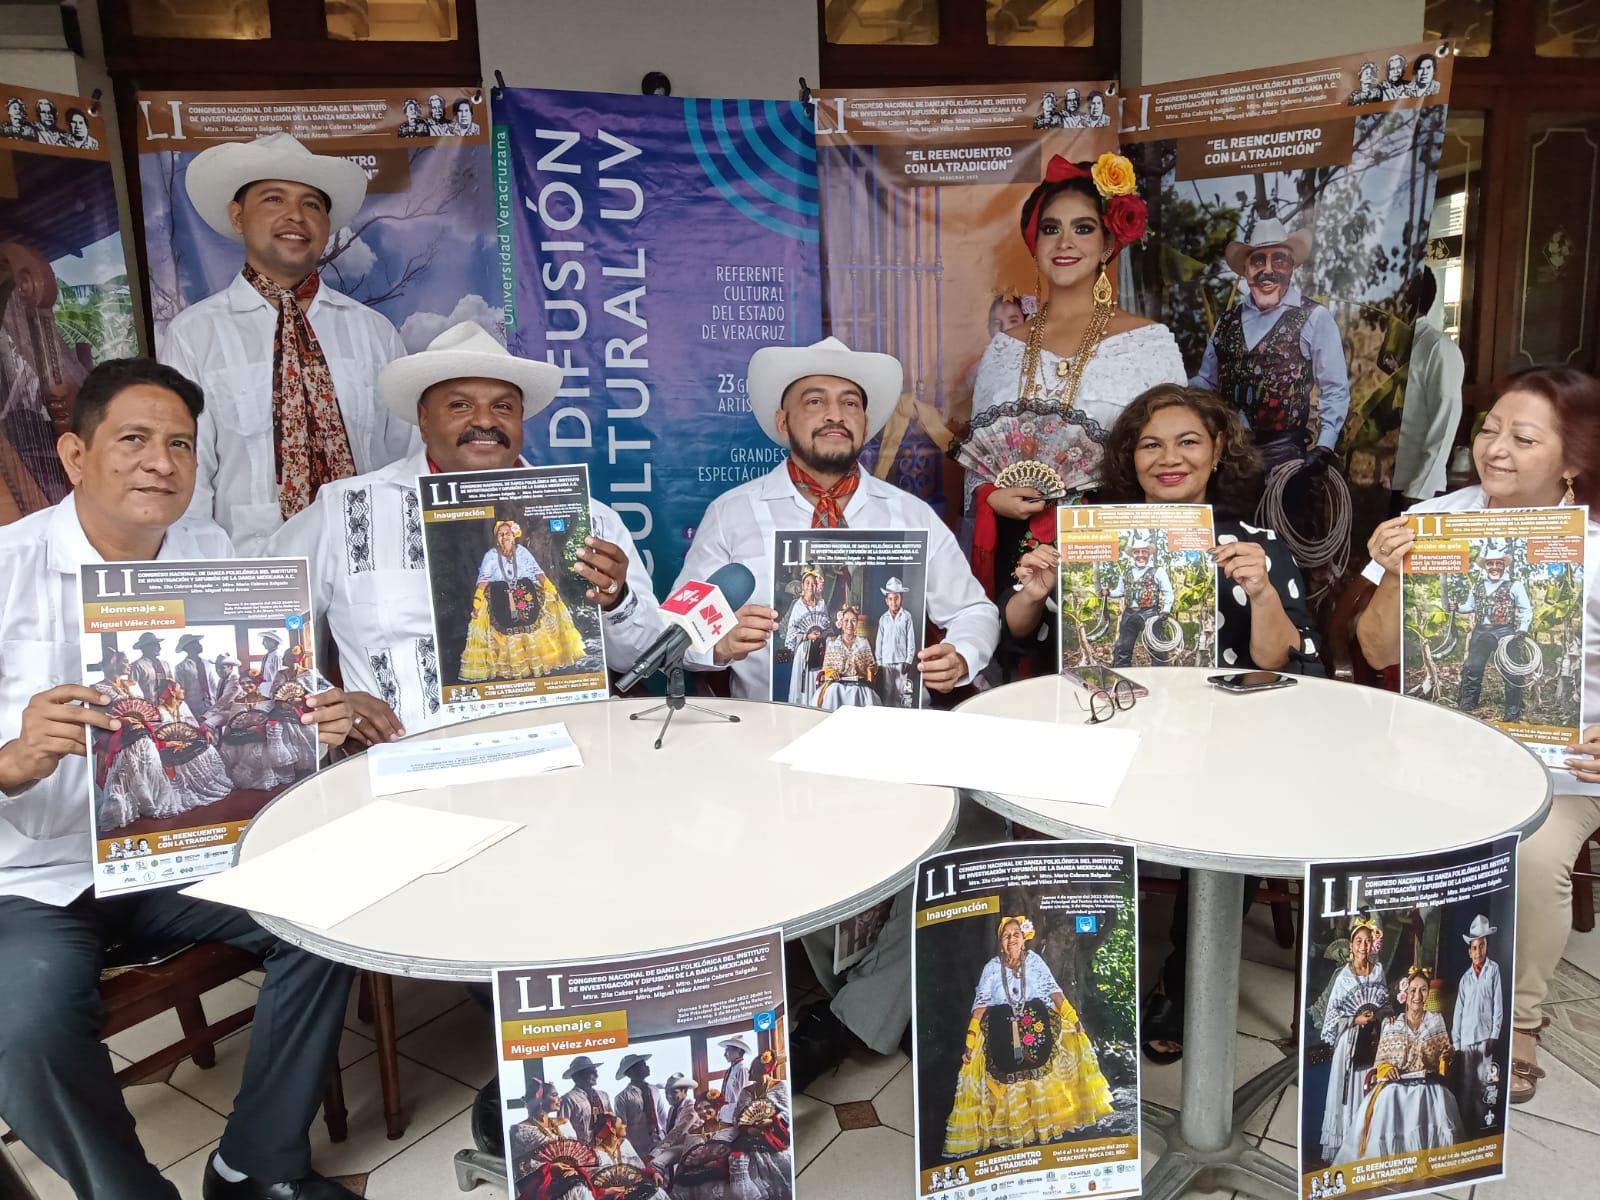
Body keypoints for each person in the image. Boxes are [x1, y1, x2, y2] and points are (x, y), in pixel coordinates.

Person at [0, 357, 357, 1199]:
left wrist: (315, 716)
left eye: (181, 444)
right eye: (133, 439)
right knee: (23, 1021)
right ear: (76, 455)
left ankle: (254, 1163)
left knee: (333, 910)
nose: (160, 461)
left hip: (179, 853)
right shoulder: (4, 568)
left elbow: (261, 693)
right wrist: (11, 761)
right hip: (32, 878)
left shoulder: (210, 555)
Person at [680, 337, 1000, 1085]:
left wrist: (963, 655)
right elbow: (680, 629)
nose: (835, 415)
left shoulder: (906, 512)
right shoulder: (735, 514)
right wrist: (718, 643)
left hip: (892, 733)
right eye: (815, 401)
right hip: (776, 738)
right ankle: (890, 1001)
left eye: (850, 402)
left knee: (980, 825)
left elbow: (977, 611)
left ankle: (847, 1018)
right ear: (784, 418)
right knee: (809, 839)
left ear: (865, 424)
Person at [1005, 385, 1319, 1056]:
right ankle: (1078, 981)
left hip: (1219, 741)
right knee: (1067, 813)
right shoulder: (1091, 537)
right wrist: (1033, 595)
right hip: (1104, 725)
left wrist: (1260, 590)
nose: (1167, 457)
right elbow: (1027, 637)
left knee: (1232, 812)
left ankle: (1183, 981)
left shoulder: (1252, 544)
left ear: (1216, 457)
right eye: (1151, 444)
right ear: (1131, 457)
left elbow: (1287, 665)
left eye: (1187, 443)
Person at [1354, 366, 1600, 1103]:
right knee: (1360, 822)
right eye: (1489, 428)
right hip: (1442, 754)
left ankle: (1521, 1024)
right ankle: (1391, 998)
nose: (1495, 449)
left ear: (1573, 459)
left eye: (1524, 439)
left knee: (1535, 854)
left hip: (1564, 763)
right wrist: (1394, 576)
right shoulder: (1436, 518)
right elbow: (1373, 651)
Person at [269, 322, 660, 741]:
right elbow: (257, 624)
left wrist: (617, 600)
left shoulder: (590, 518)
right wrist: (329, 701)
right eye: (460, 406)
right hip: (411, 771)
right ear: (423, 417)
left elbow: (644, 656)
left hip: (569, 758)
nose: (485, 421)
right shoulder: (344, 511)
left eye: (504, 407)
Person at [160, 132, 419, 554]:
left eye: (312, 204)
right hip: (250, 569)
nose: (295, 216)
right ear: (238, 216)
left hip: (367, 567)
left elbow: (406, 459)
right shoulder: (195, 335)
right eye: (274, 199)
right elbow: (186, 467)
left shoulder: (373, 332)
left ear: (327, 226)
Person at [959, 153, 1186, 605]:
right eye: (1051, 228)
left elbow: (1177, 454)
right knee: (1027, 664)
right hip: (1021, 550)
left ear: (1106, 244)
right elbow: (979, 464)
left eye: (1083, 228)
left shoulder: (1149, 342)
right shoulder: (1004, 350)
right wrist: (991, 498)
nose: (1065, 241)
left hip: (1119, 547)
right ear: (1034, 243)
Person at [942, 915, 1114, 1158]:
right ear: (1000, 941)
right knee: (987, 1071)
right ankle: (1012, 1138)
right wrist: (970, 1043)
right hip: (999, 1031)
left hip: (1037, 1025)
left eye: (1015, 935)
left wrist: (1075, 1020)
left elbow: (1055, 994)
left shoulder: (1034, 962)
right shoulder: (992, 968)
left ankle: (1043, 1130)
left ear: (1024, 939)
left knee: (1052, 1064)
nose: (1011, 939)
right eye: (1006, 935)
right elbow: (979, 1008)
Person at [1195, 217, 1350, 485]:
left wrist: (1324, 446)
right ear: (1246, 269)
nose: (1268, 270)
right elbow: (1206, 382)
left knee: (1284, 523)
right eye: (1258, 261)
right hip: (1231, 456)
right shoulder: (1227, 321)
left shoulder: (1313, 317)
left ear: (1291, 267)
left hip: (1285, 455)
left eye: (1278, 259)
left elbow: (1335, 388)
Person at [1334, 969, 1462, 1163]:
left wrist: (1446, 1056)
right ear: (1405, 994)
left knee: (1437, 1099)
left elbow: (1443, 1059)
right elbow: (1381, 1062)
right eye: (1413, 990)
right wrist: (1388, 1069)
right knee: (1388, 1097)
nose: (1417, 996)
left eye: (1423, 990)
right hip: (1395, 1084)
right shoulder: (1393, 1023)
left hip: (1427, 1083)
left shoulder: (1436, 1020)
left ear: (1428, 993)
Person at [1314, 916, 1389, 1163]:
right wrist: (1356, 1020)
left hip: (1371, 1044)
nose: (1363, 946)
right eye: (1359, 941)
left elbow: (1386, 1005)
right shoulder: (1342, 977)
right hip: (1349, 1044)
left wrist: (1377, 1017)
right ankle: (1344, 1148)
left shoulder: (1378, 972)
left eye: (1368, 941)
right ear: (1352, 946)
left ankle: (1363, 1147)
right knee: (1347, 1096)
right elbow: (1332, 1016)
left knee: (1367, 1092)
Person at [1392, 270, 1463, 508]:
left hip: (1415, 489)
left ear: (1410, 303)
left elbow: (1445, 422)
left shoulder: (1438, 347)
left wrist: (1420, 489)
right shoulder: (1392, 345)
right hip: (1381, 484)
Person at [1452, 538, 1533, 721]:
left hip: (1505, 631)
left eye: (1498, 563)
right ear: (1485, 566)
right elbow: (1469, 606)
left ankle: (1513, 710)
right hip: (1481, 631)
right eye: (1490, 564)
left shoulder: (1515, 585)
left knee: (1511, 670)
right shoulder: (1478, 585)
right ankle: (1468, 703)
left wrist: (1522, 629)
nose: (1494, 567)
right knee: (1472, 667)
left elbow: (1526, 609)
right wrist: (1457, 607)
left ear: (1503, 566)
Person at [1452, 914, 1505, 1134]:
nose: (1478, 952)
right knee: (1467, 1083)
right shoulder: (1465, 978)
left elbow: (1498, 1003)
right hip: (1466, 1038)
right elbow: (1458, 1012)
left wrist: (1494, 1033)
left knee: (1484, 1083)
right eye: (1474, 948)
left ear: (1486, 947)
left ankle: (1484, 1125)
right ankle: (1466, 1127)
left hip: (1484, 1037)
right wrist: (1456, 1043)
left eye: (1481, 946)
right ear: (1469, 951)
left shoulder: (1493, 970)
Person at [1104, 534, 1174, 667]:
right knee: (1122, 647)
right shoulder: (1126, 572)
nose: (1140, 555)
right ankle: (1122, 677)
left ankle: (1161, 678)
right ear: (1132, 555)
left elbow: (1167, 592)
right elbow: (1120, 591)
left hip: (1150, 614)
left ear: (1148, 554)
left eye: (1144, 552)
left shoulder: (1158, 571)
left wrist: (1166, 610)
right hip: (1129, 614)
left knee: (1157, 647)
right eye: (1137, 552)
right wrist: (1109, 593)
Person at [780, 567, 830, 706]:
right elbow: (791, 633)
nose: (810, 586)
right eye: (807, 583)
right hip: (804, 653)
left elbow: (827, 627)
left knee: (817, 682)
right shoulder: (798, 606)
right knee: (803, 687)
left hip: (820, 652)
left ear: (817, 586)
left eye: (813, 583)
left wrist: (825, 635)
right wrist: (807, 635)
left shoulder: (822, 604)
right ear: (803, 586)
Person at [816, 605, 877, 710]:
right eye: (846, 620)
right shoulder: (833, 643)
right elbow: (826, 669)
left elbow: (871, 669)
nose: (850, 624)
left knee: (856, 692)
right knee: (833, 690)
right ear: (841, 623)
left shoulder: (863, 642)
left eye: (853, 620)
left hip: (858, 685)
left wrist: (871, 668)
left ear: (857, 623)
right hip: (837, 683)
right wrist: (832, 673)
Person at [613, 1053, 669, 1159]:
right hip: (638, 1147)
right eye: (642, 1065)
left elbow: (663, 1117)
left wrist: (668, 1138)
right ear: (631, 1072)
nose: (647, 1067)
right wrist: (628, 1152)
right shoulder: (622, 1097)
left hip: (659, 1142)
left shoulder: (654, 1090)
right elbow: (622, 1128)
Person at [874, 577, 917, 706]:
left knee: (901, 691)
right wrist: (879, 662)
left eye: (897, 598)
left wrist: (909, 660)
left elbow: (911, 639)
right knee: (887, 690)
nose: (894, 602)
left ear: (901, 598)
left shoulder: (906, 617)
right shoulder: (883, 619)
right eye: (891, 599)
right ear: (886, 600)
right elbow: (879, 641)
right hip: (886, 661)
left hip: (901, 660)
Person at [558, 1056, 612, 1145]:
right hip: (581, 1150)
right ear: (578, 1076)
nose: (596, 1075)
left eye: (596, 1072)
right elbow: (562, 1129)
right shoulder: (569, 1099)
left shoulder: (603, 1096)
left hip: (605, 1147)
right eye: (591, 1072)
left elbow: (611, 1120)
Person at [175, 633, 217, 714]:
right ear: (188, 647)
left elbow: (212, 685)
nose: (200, 645)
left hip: (211, 704)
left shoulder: (207, 664)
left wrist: (215, 700)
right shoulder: (181, 667)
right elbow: (180, 690)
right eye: (196, 643)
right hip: (193, 707)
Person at [128, 631, 172, 703]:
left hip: (166, 706)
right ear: (145, 647)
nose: (160, 648)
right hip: (147, 708)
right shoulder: (137, 665)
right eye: (156, 645)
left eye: (159, 645)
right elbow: (132, 689)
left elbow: (171, 685)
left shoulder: (165, 665)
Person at [717, 1037, 751, 1125]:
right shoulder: (731, 1069)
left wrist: (740, 1117)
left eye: (727, 1051)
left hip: (736, 1114)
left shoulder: (742, 1069)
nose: (724, 1054)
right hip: (727, 1112)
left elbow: (744, 1096)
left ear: (737, 1051)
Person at [257, 630, 286, 696]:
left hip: (271, 688)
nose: (262, 643)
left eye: (265, 641)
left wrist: (275, 692)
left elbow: (278, 676)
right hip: (264, 687)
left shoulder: (276, 656)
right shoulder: (267, 656)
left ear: (273, 642)